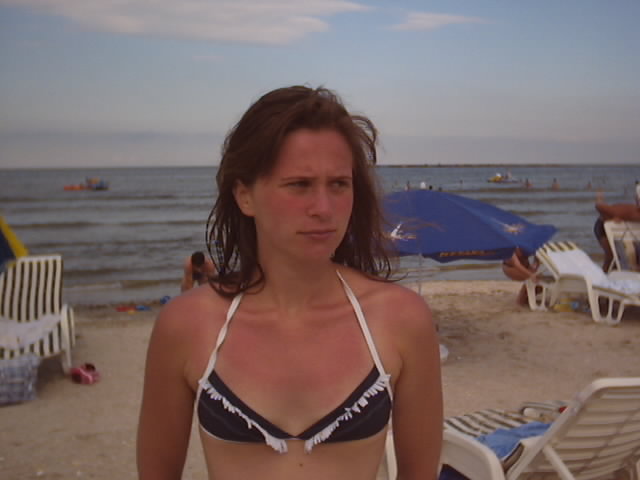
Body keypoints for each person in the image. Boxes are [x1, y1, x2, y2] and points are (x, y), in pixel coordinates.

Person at [137, 86, 443, 480]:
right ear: (245, 196)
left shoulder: (400, 319)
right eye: (299, 184)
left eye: (339, 184)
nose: (324, 209)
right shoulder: (187, 324)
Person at [594, 191, 640, 271]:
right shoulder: (628, 211)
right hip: (603, 227)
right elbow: (600, 207)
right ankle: (603, 275)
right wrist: (599, 200)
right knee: (611, 256)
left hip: (624, 230)